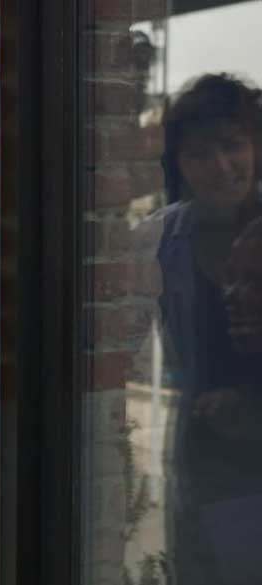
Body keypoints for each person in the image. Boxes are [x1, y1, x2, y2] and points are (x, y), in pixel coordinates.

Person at [137, 73, 262, 584]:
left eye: (233, 146)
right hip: (201, 461)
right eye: (199, 154)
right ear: (178, 165)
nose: (221, 167)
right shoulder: (161, 239)